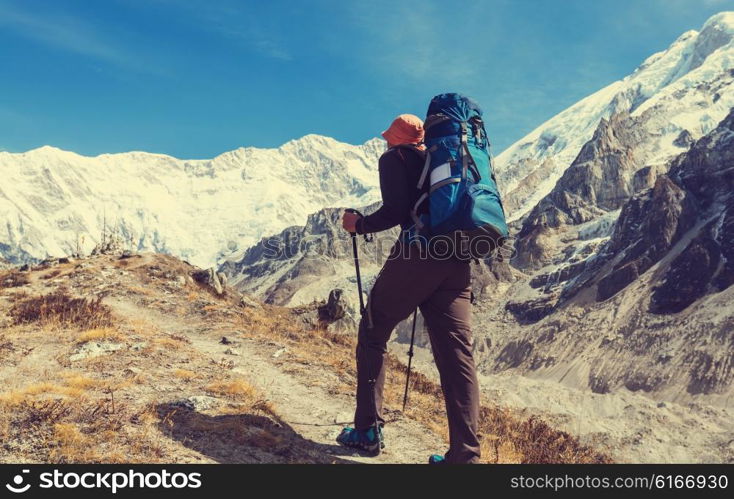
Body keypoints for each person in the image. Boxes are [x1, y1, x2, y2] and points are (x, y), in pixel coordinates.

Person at [338, 114, 481, 464]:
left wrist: (360, 225)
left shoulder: (395, 159)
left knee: (373, 330)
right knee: (458, 357)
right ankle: (465, 458)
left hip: (418, 254)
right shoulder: (442, 161)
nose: (386, 143)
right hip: (457, 259)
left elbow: (396, 210)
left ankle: (367, 430)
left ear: (395, 139)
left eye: (389, 138)